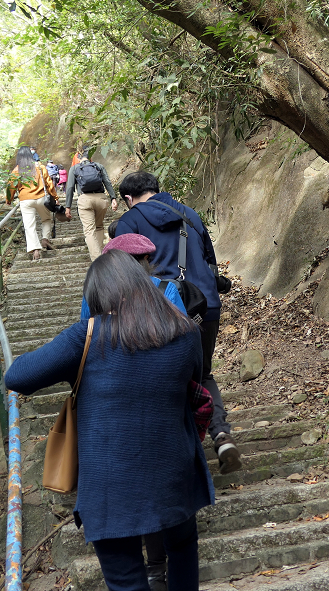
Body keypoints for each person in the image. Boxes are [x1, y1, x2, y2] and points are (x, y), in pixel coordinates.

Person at [4, 250, 215, 591]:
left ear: (98, 297)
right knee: (182, 550)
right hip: (174, 472)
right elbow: (195, 380)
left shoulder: (87, 335)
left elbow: (18, 376)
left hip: (110, 485)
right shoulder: (186, 333)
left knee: (126, 579)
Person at [79, 232, 187, 591]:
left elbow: (85, 337)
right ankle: (157, 567)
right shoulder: (164, 289)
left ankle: (153, 568)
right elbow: (183, 338)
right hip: (161, 406)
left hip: (111, 413)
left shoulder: (95, 299)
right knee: (161, 491)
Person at [114, 171, 241, 475]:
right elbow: (211, 262)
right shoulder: (190, 214)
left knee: (161, 376)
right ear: (156, 189)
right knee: (202, 372)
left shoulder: (129, 222)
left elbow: (119, 272)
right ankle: (221, 436)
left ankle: (174, 454)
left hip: (161, 307)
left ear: (129, 199)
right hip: (204, 305)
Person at [79, 233, 187, 320]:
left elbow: (85, 329)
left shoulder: (95, 291)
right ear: (145, 259)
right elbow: (184, 331)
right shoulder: (165, 288)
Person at [6, 146, 60, 261]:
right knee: (46, 219)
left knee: (29, 225)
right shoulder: (39, 167)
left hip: (25, 200)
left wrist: (9, 200)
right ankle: (45, 239)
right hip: (41, 198)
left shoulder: (16, 170)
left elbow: (10, 186)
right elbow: (49, 183)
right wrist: (55, 197)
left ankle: (35, 249)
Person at [64, 153, 118, 260]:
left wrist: (68, 206)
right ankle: (101, 254)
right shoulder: (98, 166)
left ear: (77, 159)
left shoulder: (74, 168)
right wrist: (113, 198)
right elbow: (107, 182)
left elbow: (70, 188)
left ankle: (97, 260)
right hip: (101, 200)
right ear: (90, 158)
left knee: (89, 231)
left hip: (85, 200)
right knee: (99, 227)